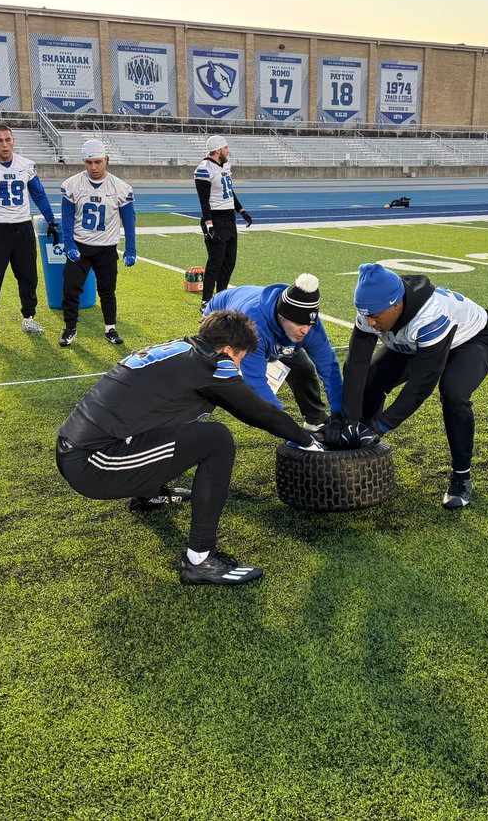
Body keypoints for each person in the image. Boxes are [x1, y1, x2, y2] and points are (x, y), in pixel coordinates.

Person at [55, 309, 323, 586]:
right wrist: (307, 441)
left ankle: (149, 493)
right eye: (240, 358)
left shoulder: (183, 348)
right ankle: (200, 560)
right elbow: (259, 413)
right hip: (95, 464)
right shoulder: (213, 362)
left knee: (183, 426)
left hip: (76, 448)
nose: (239, 366)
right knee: (215, 439)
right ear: (228, 349)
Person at [339, 263, 488, 510]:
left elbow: (421, 385)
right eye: (366, 315)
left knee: (454, 392)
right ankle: (361, 454)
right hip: (413, 343)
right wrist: (349, 420)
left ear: (396, 304)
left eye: (375, 316)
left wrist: (381, 426)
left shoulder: (431, 314)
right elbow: (355, 366)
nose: (370, 322)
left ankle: (461, 477)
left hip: (470, 341)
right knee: (370, 378)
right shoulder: (373, 307)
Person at [204, 273, 342, 431]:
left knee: (303, 367)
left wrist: (339, 413)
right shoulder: (253, 327)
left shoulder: (311, 328)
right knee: (218, 374)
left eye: (309, 324)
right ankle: (193, 417)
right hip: (221, 314)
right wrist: (287, 426)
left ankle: (315, 419)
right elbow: (256, 381)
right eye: (298, 323)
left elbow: (329, 369)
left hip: (275, 335)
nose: (305, 330)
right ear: (281, 316)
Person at [0, 123, 58, 341]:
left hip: (23, 227)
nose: (4, 144)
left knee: (28, 276)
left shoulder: (26, 165)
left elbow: (39, 195)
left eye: (8, 139)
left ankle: (28, 318)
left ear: (13, 140)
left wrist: (51, 220)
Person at [58, 139, 137, 347]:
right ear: (84, 162)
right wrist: (69, 244)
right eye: (89, 162)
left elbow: (129, 220)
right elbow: (66, 218)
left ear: (106, 160)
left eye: (98, 162)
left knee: (107, 290)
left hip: (106, 248)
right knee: (70, 288)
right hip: (80, 246)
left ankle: (110, 328)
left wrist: (130, 248)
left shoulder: (120, 187)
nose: (93, 167)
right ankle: (70, 328)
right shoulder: (73, 184)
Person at [194, 135, 252, 309]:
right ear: (218, 150)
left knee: (229, 262)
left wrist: (241, 210)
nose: (228, 150)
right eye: (225, 148)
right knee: (215, 262)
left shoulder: (225, 165)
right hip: (216, 218)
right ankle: (205, 301)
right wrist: (209, 224)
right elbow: (203, 201)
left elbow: (229, 191)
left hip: (229, 218)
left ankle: (220, 297)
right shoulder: (204, 169)